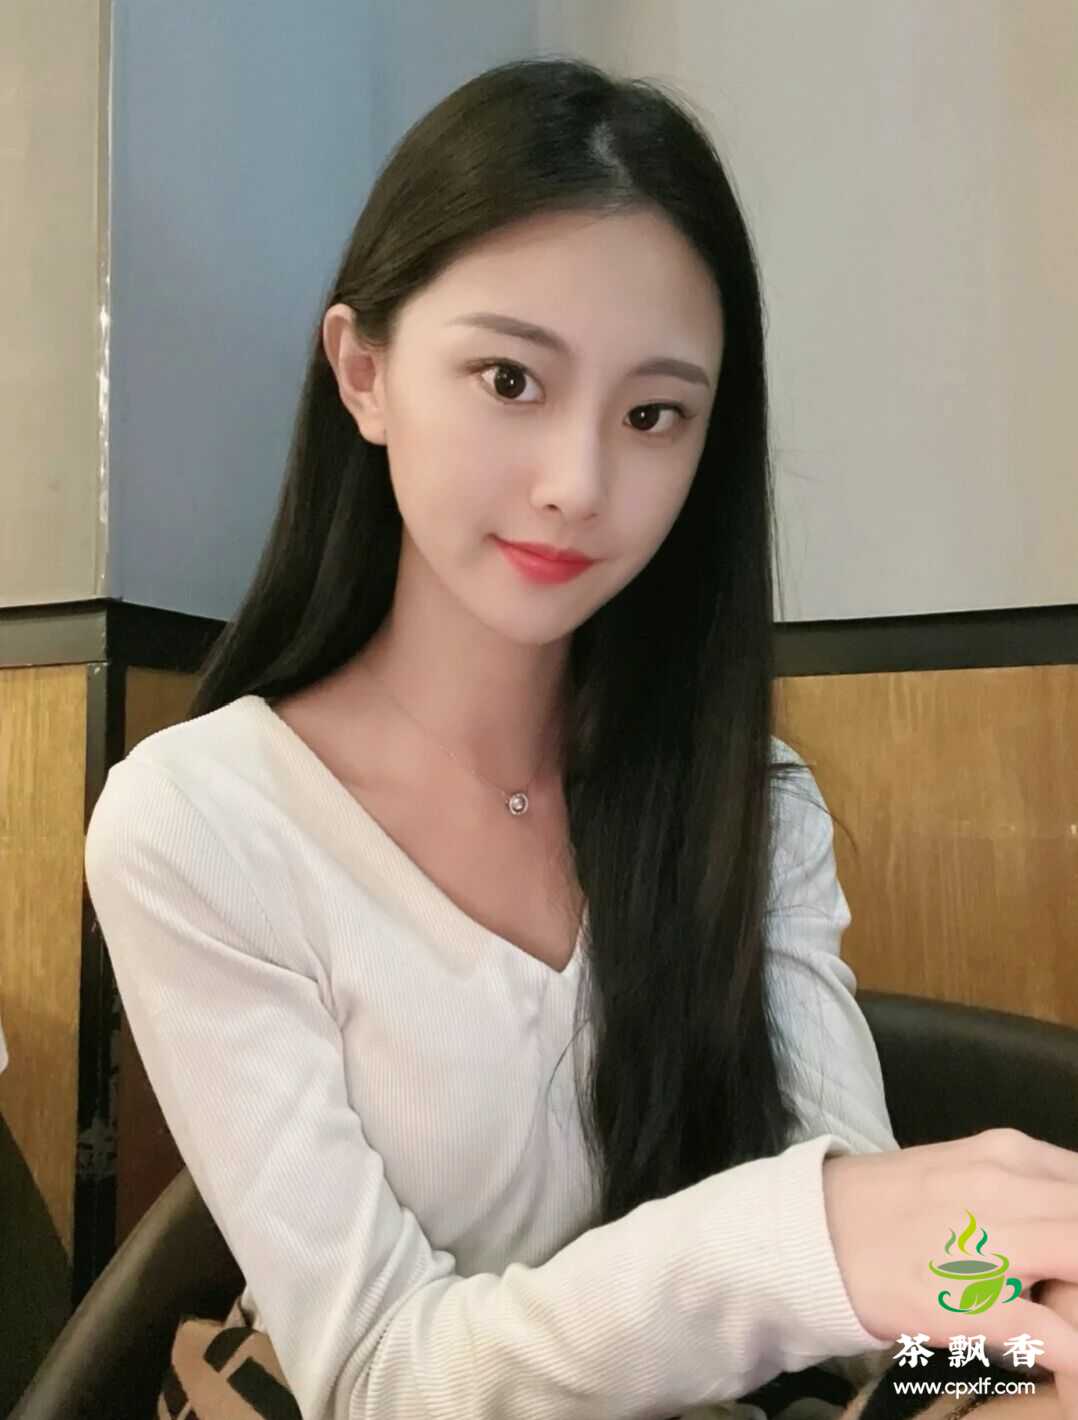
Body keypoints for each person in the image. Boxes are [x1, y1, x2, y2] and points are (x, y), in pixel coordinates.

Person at [82, 55, 1078, 1420]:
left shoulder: (747, 799)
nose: (580, 483)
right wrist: (801, 1246)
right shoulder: (199, 821)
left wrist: (1012, 1335)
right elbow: (375, 1375)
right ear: (364, 373)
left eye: (653, 414)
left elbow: (863, 1320)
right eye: (509, 378)